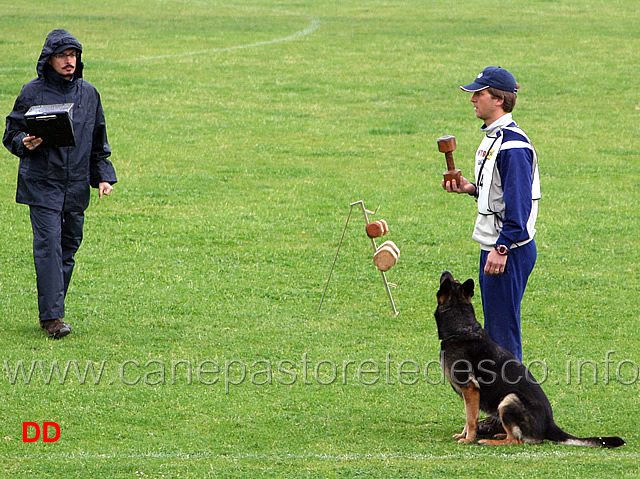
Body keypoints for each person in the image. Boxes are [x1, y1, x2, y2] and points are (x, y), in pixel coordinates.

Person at [442, 66, 540, 434]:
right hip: (498, 246)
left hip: (507, 249)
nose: (472, 98)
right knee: (496, 333)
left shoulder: (513, 146)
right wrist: (470, 188)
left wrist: (501, 247)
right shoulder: (494, 138)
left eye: (479, 93)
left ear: (498, 98)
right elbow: (498, 196)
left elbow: (519, 207)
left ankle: (510, 415)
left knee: (501, 336)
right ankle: (502, 411)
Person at [3, 29, 117, 339]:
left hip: (76, 185)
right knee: (49, 246)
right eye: (62, 56)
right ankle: (52, 318)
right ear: (48, 60)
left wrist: (103, 176)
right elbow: (11, 133)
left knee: (68, 247)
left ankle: (52, 308)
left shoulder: (89, 94)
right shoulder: (32, 93)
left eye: (73, 55)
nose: (69, 61)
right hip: (41, 183)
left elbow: (98, 141)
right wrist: (23, 142)